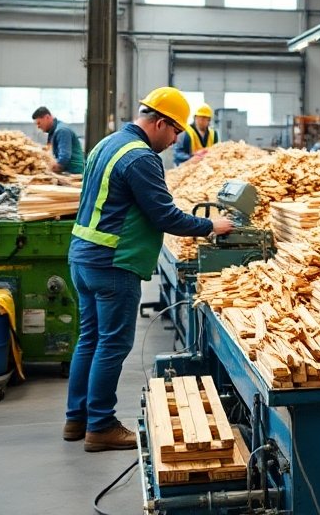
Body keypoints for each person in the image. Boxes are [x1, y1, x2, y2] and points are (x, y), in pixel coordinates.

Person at [64, 87, 234, 452]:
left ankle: (76, 419)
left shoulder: (106, 144)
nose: (175, 141)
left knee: (90, 339)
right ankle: (101, 426)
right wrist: (211, 226)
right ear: (160, 123)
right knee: (112, 344)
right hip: (113, 261)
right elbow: (164, 215)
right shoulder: (140, 157)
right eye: (175, 133)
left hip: (82, 255)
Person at [33, 106, 85, 175]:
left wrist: (46, 171)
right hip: (66, 172)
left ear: (47, 117)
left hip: (74, 174)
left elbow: (64, 158)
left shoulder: (62, 131)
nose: (38, 127)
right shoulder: (52, 132)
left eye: (39, 123)